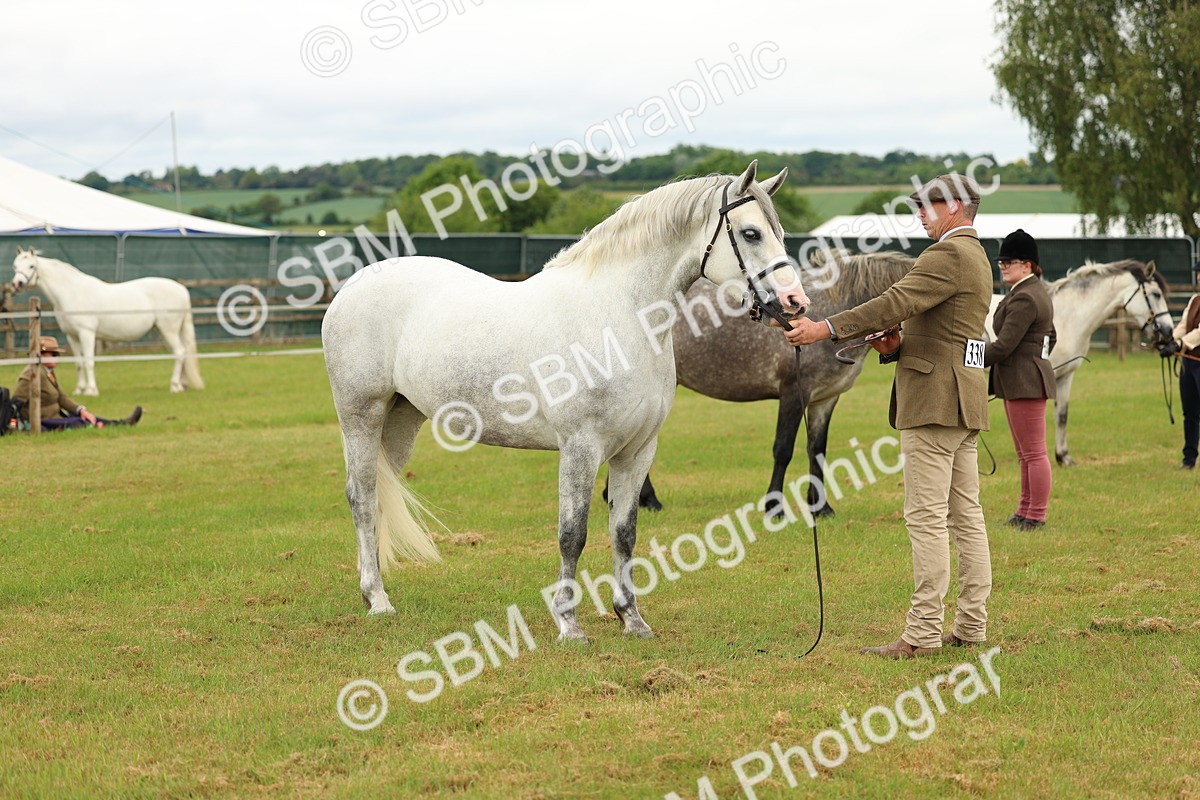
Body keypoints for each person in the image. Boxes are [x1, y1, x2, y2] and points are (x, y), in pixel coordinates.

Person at [781, 174, 992, 659]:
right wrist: (897, 346)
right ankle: (971, 625)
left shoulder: (946, 255)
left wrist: (825, 328)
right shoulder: (977, 255)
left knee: (925, 517)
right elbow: (954, 334)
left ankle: (920, 635)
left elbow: (894, 302)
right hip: (963, 401)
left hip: (934, 403)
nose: (919, 213)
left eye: (927, 205)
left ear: (956, 206)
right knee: (966, 517)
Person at [985, 229, 1057, 530]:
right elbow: (1051, 337)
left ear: (1027, 265)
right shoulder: (1028, 291)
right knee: (1025, 453)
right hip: (1021, 378)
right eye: (1001, 262)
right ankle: (1024, 510)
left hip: (1024, 381)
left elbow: (1002, 346)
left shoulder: (1027, 296)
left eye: (1008, 262)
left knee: (1033, 452)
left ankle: (1036, 514)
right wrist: (1036, 356)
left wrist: (965, 356)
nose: (1002, 266)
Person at [14, 336, 142, 431]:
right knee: (79, 422)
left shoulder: (47, 372)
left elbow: (62, 398)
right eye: (52, 353)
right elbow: (16, 402)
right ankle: (104, 426)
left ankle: (122, 424)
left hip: (55, 417)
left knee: (85, 417)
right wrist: (15, 424)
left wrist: (81, 410)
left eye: (57, 354)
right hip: (43, 421)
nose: (56, 357)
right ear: (40, 354)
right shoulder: (31, 373)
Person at [1174, 291, 1200, 469]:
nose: (1199, 276)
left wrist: (1181, 343)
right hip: (1189, 363)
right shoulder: (1195, 300)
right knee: (1189, 413)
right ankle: (1189, 458)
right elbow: (1184, 325)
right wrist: (1172, 339)